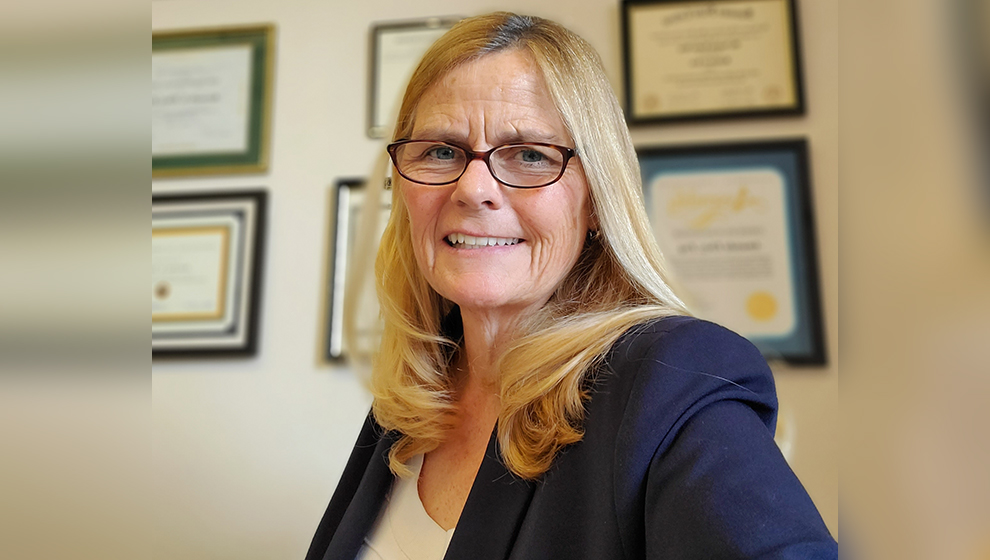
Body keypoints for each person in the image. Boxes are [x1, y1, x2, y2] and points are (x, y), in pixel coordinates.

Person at [307, 12, 837, 560]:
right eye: (441, 151)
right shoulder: (413, 403)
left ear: (596, 201)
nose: (474, 189)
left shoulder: (671, 378)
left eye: (530, 154)